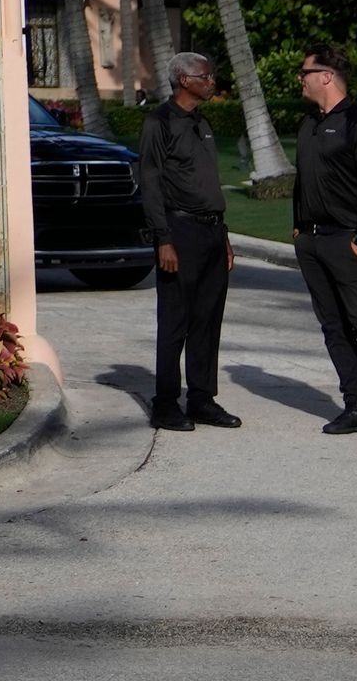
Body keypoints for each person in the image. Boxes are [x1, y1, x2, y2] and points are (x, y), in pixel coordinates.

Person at [291, 42, 357, 438]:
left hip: (350, 241)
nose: (300, 80)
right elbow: (303, 181)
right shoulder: (308, 125)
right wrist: (299, 227)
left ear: (326, 76)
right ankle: (356, 405)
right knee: (333, 328)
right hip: (313, 242)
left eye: (304, 73)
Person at [137, 51, 239, 432]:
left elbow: (208, 185)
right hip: (179, 233)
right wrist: (163, 239)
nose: (212, 81)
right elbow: (150, 182)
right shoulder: (158, 123)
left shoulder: (203, 122)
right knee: (175, 320)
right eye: (206, 76)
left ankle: (201, 399)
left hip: (212, 232)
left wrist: (224, 236)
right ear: (184, 80)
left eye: (212, 75)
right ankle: (165, 403)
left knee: (208, 320)